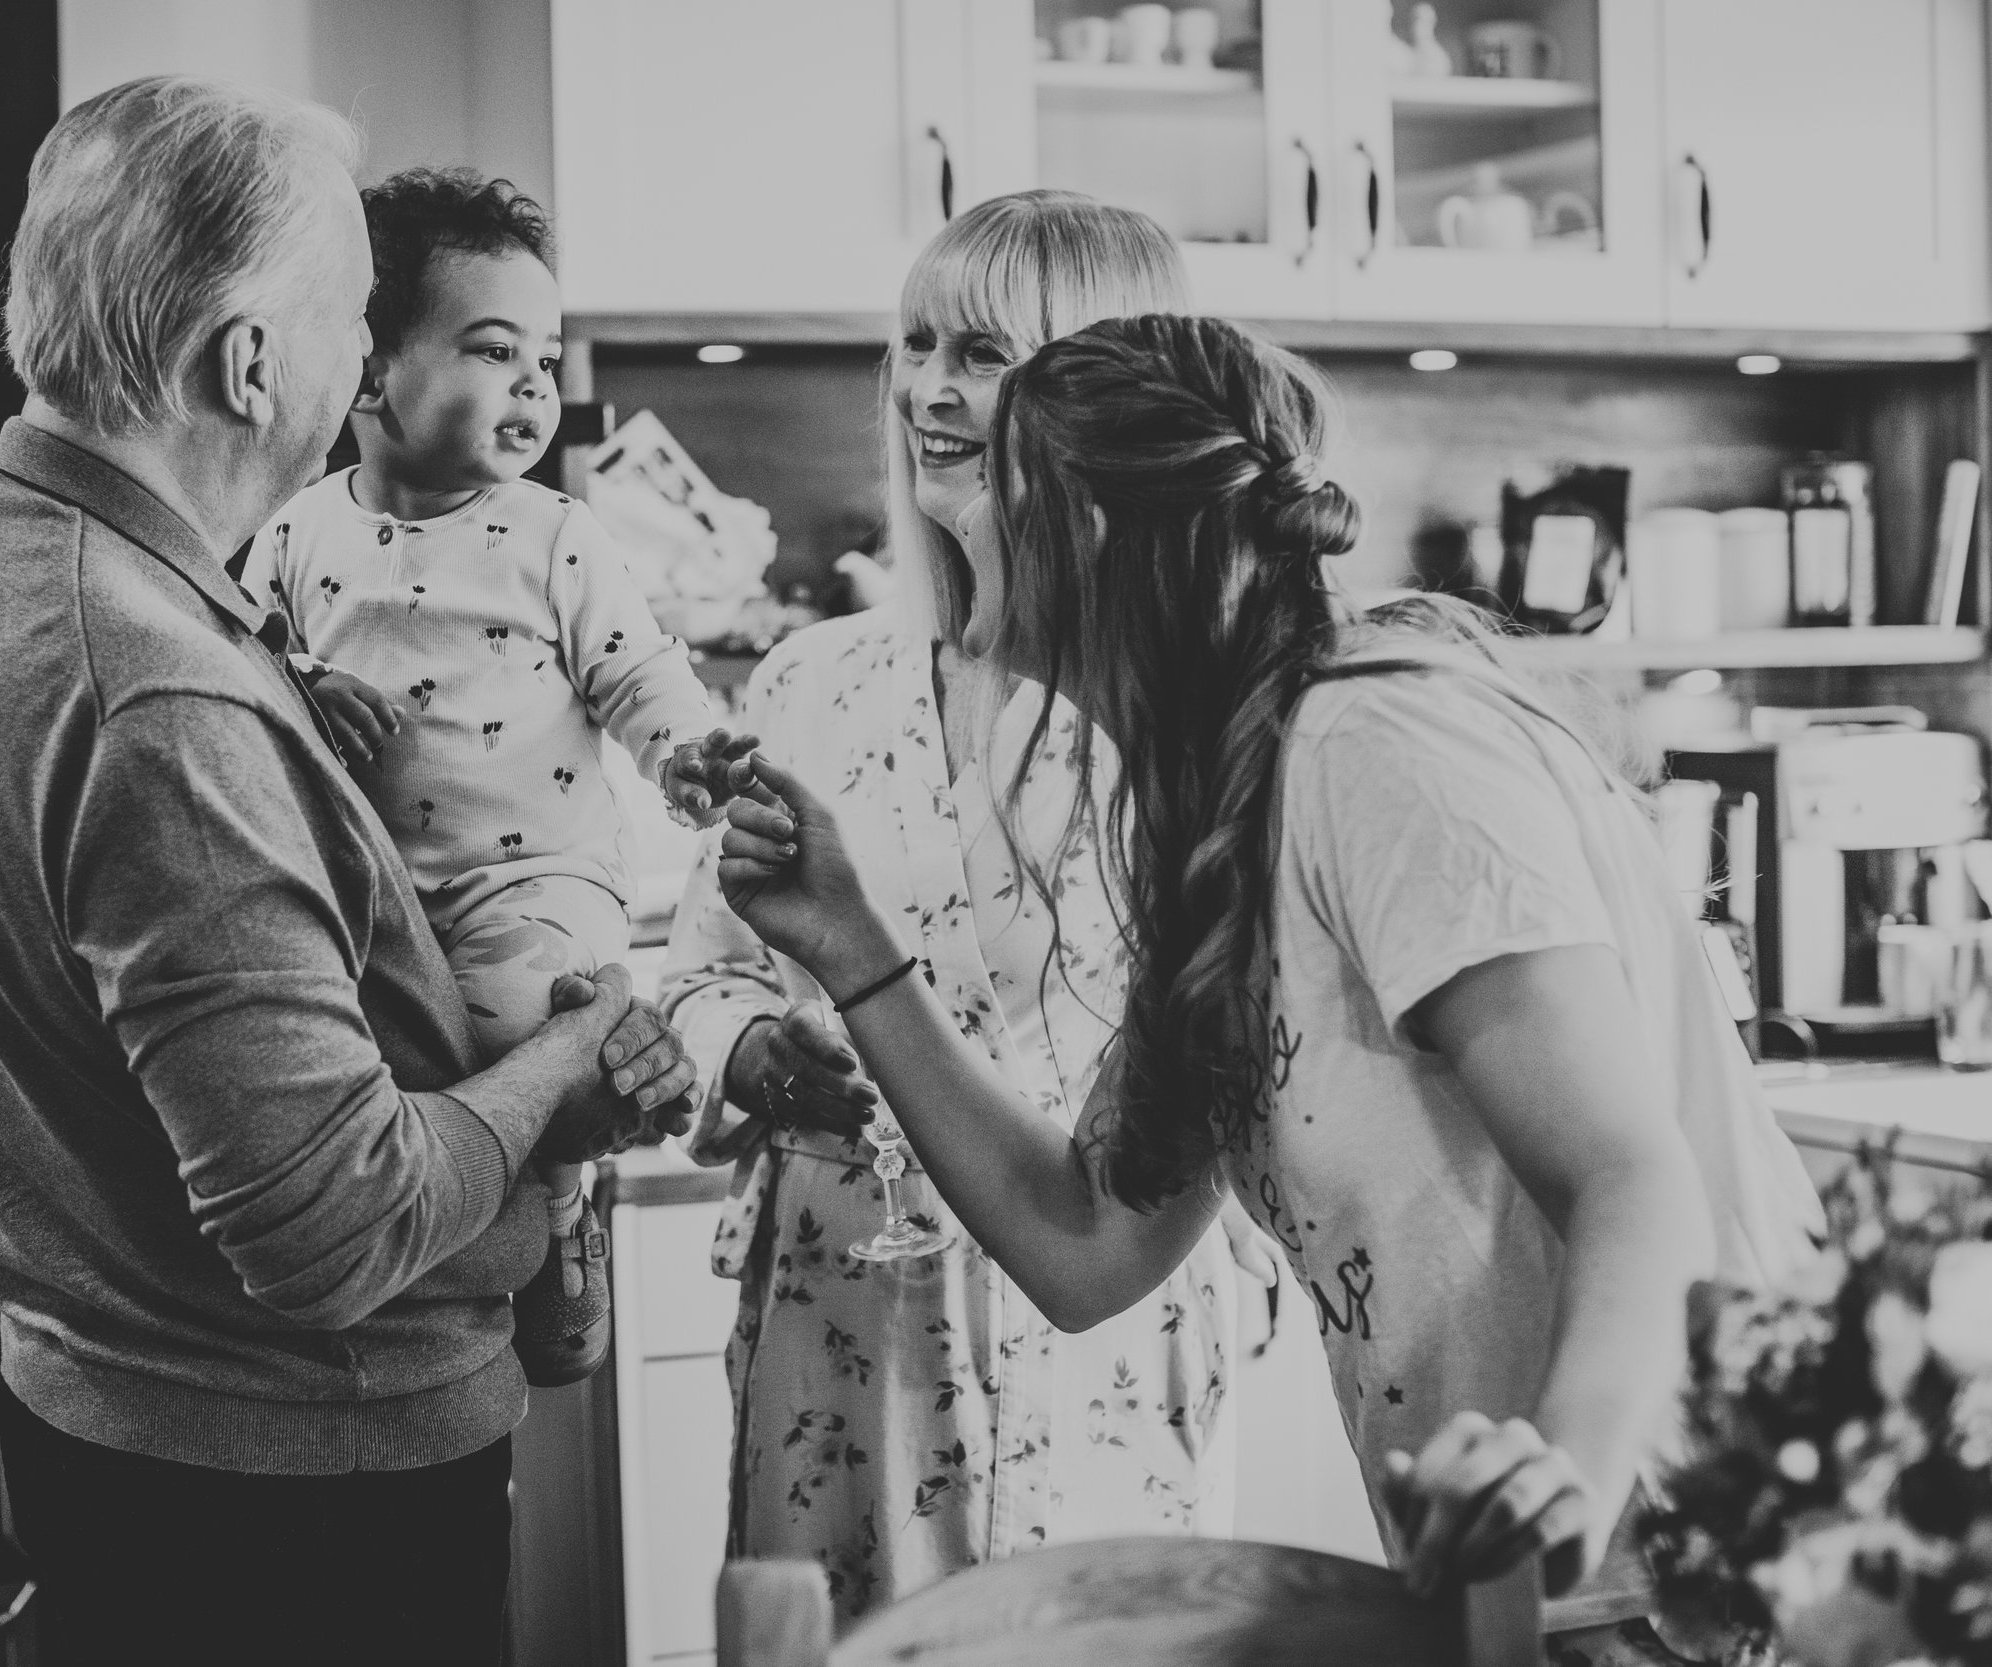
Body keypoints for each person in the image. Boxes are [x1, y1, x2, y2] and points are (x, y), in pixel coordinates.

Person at [715, 313, 1824, 1663]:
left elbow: (1631, 1174)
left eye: (996, 477)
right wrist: (851, 946)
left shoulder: (1378, 739)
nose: (957, 507)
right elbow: (1084, 1240)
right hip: (1547, 1594)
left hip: (1698, 1570)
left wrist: (1567, 1484)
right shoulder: (1221, 820)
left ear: (1094, 534)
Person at [0, 79, 695, 1664]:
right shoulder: (151, 682)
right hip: (298, 1515)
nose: (363, 363)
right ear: (253, 361)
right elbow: (332, 1225)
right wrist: (560, 1067)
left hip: (117, 1438)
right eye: (354, 321)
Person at [657, 191, 1264, 1623]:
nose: (930, 389)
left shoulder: (1193, 718)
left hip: (1101, 1315)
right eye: (915, 344)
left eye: (982, 353)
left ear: (1103, 396)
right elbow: (701, 970)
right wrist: (751, 1050)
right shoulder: (816, 679)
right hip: (843, 1311)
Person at [241, 167, 751, 1385]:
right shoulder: (295, 534)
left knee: (532, 1029)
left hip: (539, 883)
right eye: (491, 350)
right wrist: (301, 685)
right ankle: (448, 1262)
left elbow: (643, 679)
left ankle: (566, 1205)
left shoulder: (555, 536)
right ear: (369, 372)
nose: (532, 384)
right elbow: (238, 669)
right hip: (376, 898)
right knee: (379, 1084)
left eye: (544, 356)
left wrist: (688, 757)